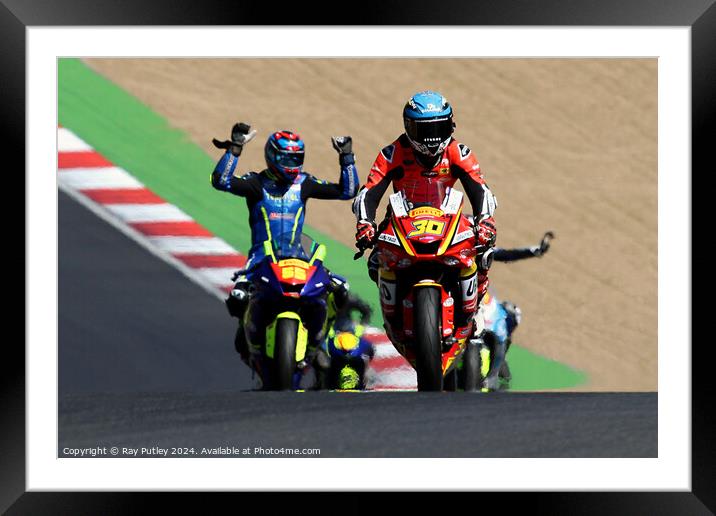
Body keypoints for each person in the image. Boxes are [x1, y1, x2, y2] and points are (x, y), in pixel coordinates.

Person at [210, 123, 359, 364]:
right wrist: (235, 147)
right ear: (272, 156)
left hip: (298, 257)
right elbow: (221, 181)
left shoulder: (305, 184)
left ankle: (324, 336)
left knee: (340, 288)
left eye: (296, 159)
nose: (291, 165)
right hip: (260, 260)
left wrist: (346, 157)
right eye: (286, 159)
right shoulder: (256, 183)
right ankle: (248, 332)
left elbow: (347, 191)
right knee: (237, 297)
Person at [352, 90, 498, 332]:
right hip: (401, 222)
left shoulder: (459, 153)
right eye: (424, 131)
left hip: (448, 218)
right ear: (408, 128)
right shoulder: (392, 154)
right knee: (375, 262)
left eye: (437, 129)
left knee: (482, 252)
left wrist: (486, 222)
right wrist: (365, 223)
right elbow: (369, 193)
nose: (431, 139)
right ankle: (396, 316)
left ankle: (477, 303)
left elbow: (480, 190)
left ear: (450, 125)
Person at [472, 231, 555, 385]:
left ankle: (499, 363)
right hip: (449, 298)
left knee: (511, 313)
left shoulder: (481, 249)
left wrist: (534, 250)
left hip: (479, 297)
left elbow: (508, 254)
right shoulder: (447, 249)